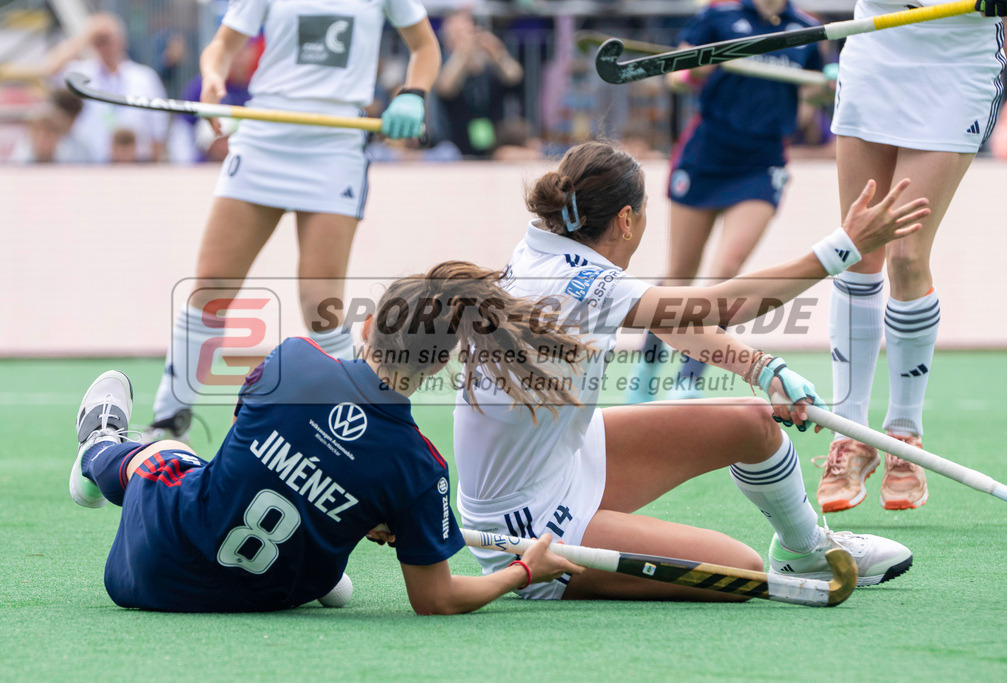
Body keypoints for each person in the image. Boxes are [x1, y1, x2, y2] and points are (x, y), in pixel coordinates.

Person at [453, 141, 930, 601]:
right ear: (625, 219)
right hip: (526, 534)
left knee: (752, 421)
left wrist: (762, 369)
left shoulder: (541, 249)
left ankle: (805, 552)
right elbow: (723, 305)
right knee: (737, 570)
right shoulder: (587, 282)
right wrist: (843, 248)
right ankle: (798, 555)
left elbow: (673, 319)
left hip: (564, 461)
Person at [69, 263, 585, 614]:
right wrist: (524, 570)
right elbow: (437, 600)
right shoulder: (421, 469)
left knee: (168, 455)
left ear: (367, 330)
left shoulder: (292, 359)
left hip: (142, 573)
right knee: (320, 546)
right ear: (442, 362)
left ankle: (99, 446)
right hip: (270, 596)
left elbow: (240, 449)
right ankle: (98, 449)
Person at [144, 0, 442, 441]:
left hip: (336, 145)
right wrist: (212, 78)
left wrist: (413, 93)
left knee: (320, 305)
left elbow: (425, 48)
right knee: (211, 286)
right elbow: (221, 47)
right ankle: (169, 421)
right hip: (265, 137)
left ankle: (358, 425)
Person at [815, 0, 1007, 513]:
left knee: (906, 254)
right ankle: (849, 435)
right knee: (857, 247)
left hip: (957, 56)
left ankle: (904, 437)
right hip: (877, 43)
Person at [627, 0, 831, 404]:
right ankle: (648, 365)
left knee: (725, 274)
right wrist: (691, 72)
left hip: (761, 164)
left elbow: (807, 106)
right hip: (706, 157)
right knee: (680, 277)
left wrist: (822, 91)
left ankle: (689, 379)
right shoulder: (717, 18)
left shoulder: (806, 29)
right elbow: (676, 78)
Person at [43, 13, 169, 162]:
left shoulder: (145, 78)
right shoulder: (82, 73)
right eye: (100, 40)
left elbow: (159, 131)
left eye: (109, 38)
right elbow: (48, 70)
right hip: (91, 163)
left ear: (122, 39)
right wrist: (85, 37)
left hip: (134, 165)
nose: (106, 45)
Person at [434, 10, 523, 157]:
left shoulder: (492, 66)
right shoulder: (444, 65)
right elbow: (445, 88)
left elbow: (515, 77)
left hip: (496, 143)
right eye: (458, 34)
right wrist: (462, 54)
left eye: (468, 31)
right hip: (455, 147)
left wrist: (498, 52)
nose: (467, 38)